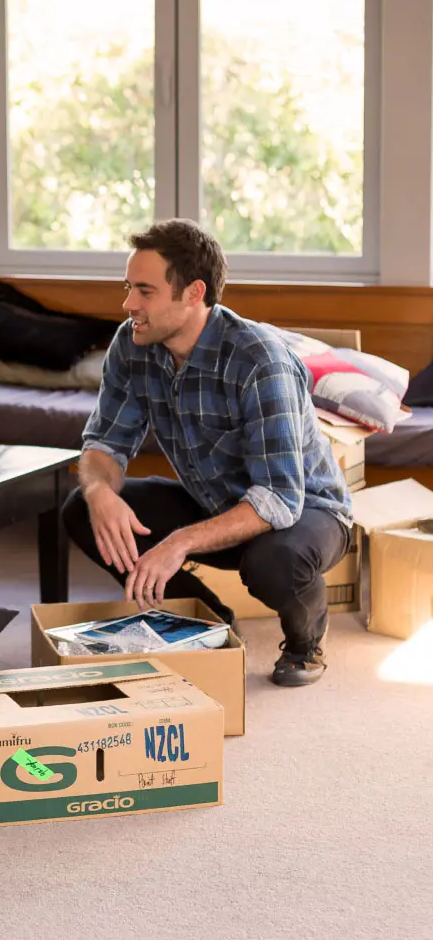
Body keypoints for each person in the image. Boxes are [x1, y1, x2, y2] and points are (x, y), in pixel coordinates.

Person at [61, 219, 353, 688]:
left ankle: (305, 642)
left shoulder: (260, 361)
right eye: (127, 288)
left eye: (144, 291)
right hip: (215, 501)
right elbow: (105, 444)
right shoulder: (132, 344)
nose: (128, 304)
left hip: (303, 511)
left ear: (193, 293)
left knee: (272, 564)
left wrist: (177, 544)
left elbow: (278, 499)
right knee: (81, 508)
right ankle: (210, 623)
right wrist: (100, 493)